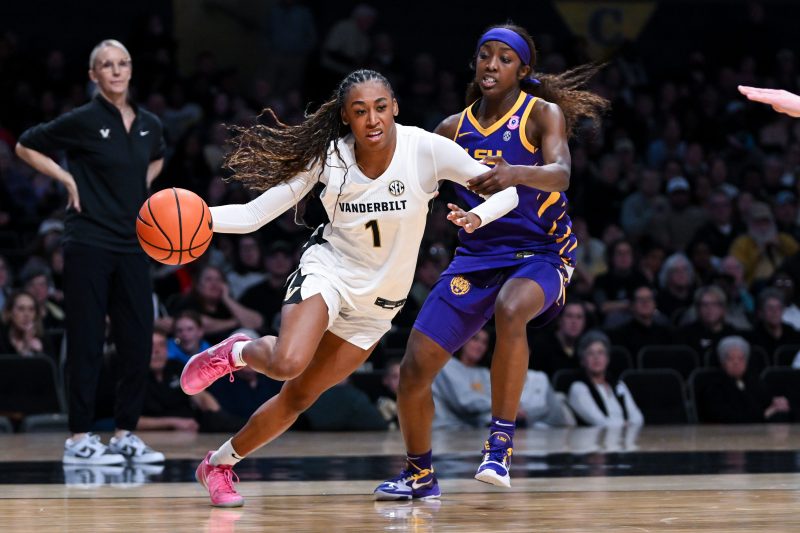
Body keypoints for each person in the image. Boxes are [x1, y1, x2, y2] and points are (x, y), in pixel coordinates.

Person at [178, 69, 520, 507]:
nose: (372, 119)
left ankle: (218, 465)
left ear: (395, 107)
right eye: (360, 111)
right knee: (286, 362)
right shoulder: (331, 158)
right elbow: (254, 214)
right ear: (345, 117)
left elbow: (507, 194)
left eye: (380, 108)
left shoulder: (426, 149)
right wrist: (198, 218)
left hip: (378, 306)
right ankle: (237, 352)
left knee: (298, 397)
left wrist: (478, 216)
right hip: (330, 272)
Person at [376, 23, 608, 498]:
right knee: (414, 368)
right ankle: (419, 475)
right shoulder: (450, 129)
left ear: (523, 70)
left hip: (542, 252)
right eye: (486, 55)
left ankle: (499, 446)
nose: (492, 65)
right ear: (474, 62)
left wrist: (515, 173)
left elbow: (561, 174)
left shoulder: (541, 114)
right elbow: (415, 192)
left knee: (511, 307)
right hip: (476, 255)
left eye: (505, 58)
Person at [15, 40, 165, 465]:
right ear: (93, 75)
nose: (116, 71)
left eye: (122, 63)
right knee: (86, 340)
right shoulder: (83, 119)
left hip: (134, 243)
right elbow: (26, 144)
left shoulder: (150, 124)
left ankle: (124, 434)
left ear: (130, 69)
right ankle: (79, 439)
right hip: (88, 241)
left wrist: (141, 185)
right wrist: (66, 178)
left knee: (137, 341)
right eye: (106, 65)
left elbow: (157, 158)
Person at [432, 329, 574, 430]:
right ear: (463, 341)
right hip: (445, 431)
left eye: (484, 342)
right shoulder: (446, 366)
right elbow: (464, 402)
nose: (479, 346)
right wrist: (509, 410)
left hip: (473, 430)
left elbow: (490, 404)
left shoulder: (483, 373)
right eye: (474, 339)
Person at [697, 335, 792, 423]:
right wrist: (764, 414)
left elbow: (766, 402)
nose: (736, 363)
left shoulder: (754, 382)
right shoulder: (713, 387)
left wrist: (777, 403)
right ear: (722, 362)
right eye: (730, 359)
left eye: (740, 358)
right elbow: (726, 418)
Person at [567, 330, 644, 427]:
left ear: (607, 359)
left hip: (624, 434)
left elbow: (637, 417)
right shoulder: (578, 388)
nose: (596, 357)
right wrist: (625, 424)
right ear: (583, 360)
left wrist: (630, 424)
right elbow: (599, 422)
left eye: (600, 352)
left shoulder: (619, 385)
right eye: (590, 353)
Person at [0, 290, 50, 357]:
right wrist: (26, 349)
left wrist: (40, 353)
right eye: (21, 309)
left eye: (31, 309)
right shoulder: (1, 339)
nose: (27, 314)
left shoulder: (43, 339)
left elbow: (53, 362)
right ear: (9, 313)